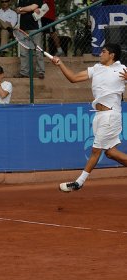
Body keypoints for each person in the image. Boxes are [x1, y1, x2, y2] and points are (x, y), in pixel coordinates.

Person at [51, 43, 127, 192]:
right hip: (99, 116)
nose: (100, 54)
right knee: (111, 153)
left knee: (95, 150)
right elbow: (73, 78)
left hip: (111, 115)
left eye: (103, 51)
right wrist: (60, 64)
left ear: (111, 55)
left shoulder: (122, 68)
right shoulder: (96, 69)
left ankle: (79, 182)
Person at [15, 0, 45, 79]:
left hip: (35, 28)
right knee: (23, 52)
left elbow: (32, 7)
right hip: (23, 29)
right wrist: (29, 9)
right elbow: (18, 11)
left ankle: (41, 72)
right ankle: (24, 72)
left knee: (38, 51)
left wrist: (23, 9)